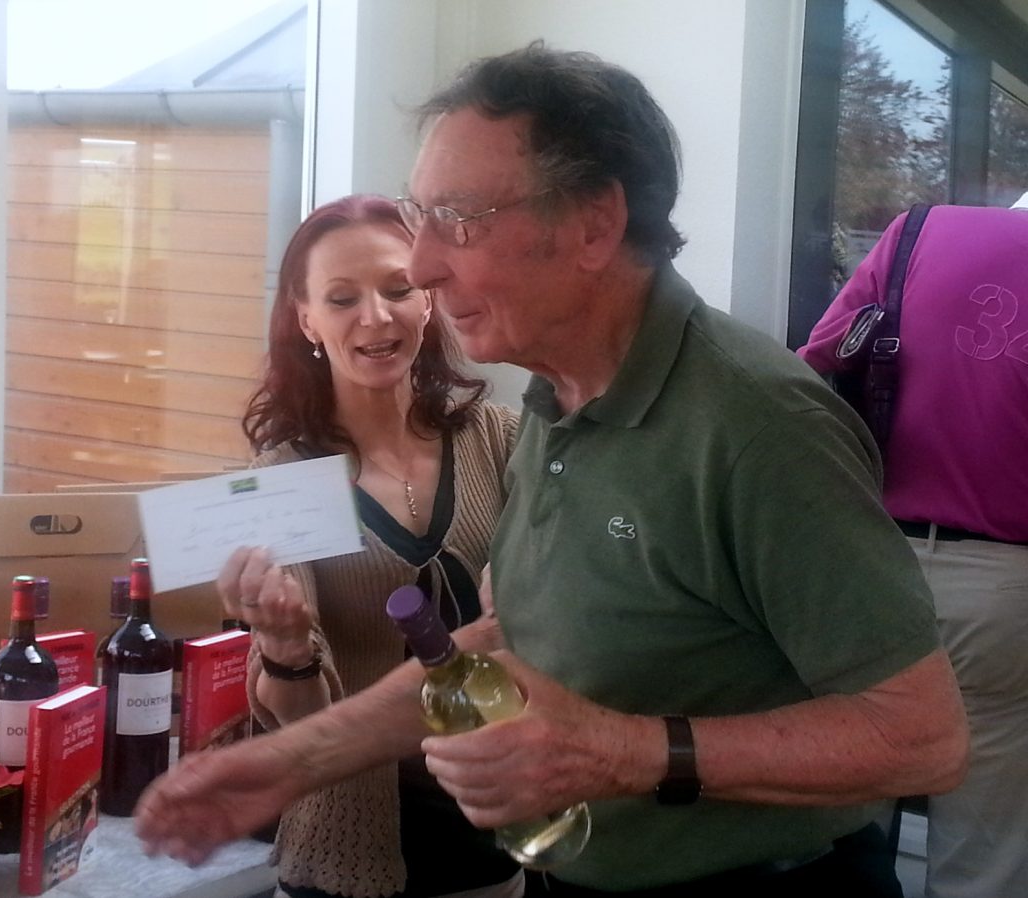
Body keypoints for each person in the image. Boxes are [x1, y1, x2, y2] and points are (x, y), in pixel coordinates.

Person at [137, 44, 969, 897]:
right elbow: (506, 637)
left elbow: (922, 738)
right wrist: (291, 760)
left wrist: (625, 752)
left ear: (594, 225)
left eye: (459, 219)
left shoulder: (760, 426)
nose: (422, 266)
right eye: (421, 216)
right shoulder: (552, 401)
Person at [208, 193, 523, 898]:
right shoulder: (282, 482)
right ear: (307, 320)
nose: (376, 318)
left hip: (498, 845)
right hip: (348, 855)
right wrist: (285, 647)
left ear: (428, 299)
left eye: (398, 289)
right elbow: (303, 724)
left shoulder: (500, 439)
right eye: (343, 298)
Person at [798, 196, 1028, 898]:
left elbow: (810, 371)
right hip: (1002, 591)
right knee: (985, 852)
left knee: (852, 823)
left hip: (871, 567)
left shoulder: (917, 234)